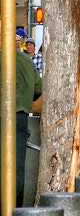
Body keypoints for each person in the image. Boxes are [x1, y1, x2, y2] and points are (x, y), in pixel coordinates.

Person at [0, 45, 42, 206]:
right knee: (17, 166)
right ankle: (16, 207)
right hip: (20, 117)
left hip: (3, 115)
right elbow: (38, 89)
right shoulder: (26, 60)